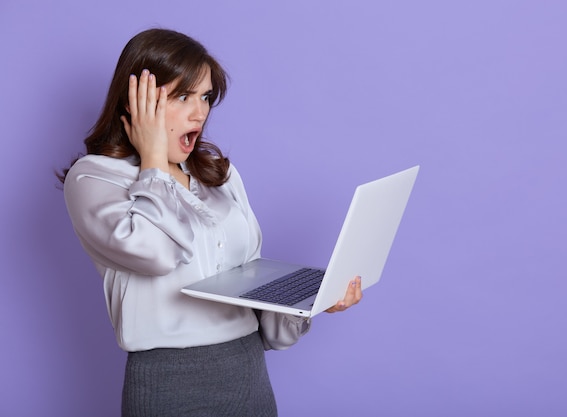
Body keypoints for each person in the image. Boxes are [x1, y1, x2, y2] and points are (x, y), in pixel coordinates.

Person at [58, 28, 362, 416]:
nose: (199, 112)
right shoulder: (94, 179)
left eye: (204, 97)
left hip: (248, 378)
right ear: (137, 102)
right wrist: (153, 161)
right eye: (182, 96)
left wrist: (313, 303)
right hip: (168, 385)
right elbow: (155, 255)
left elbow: (257, 301)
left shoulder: (220, 175)